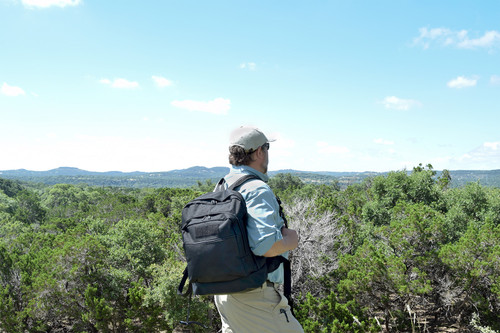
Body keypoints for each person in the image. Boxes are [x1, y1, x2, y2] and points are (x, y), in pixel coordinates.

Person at [214, 126, 304, 333]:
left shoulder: (223, 185)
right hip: (254, 296)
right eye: (267, 147)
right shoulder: (256, 188)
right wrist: (292, 240)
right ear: (258, 152)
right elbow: (265, 245)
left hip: (224, 293)